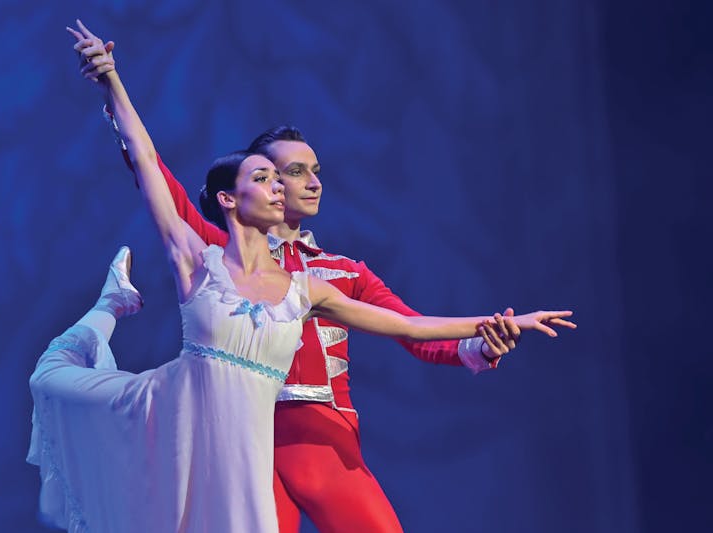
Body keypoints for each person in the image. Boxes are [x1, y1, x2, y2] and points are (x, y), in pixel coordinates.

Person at [66, 20, 576, 532]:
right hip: (247, 441)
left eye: (315, 172)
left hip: (323, 440)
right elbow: (152, 172)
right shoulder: (217, 253)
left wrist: (485, 341)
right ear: (248, 186)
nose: (309, 183)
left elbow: (415, 331)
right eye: (289, 172)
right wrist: (113, 84)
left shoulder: (340, 274)